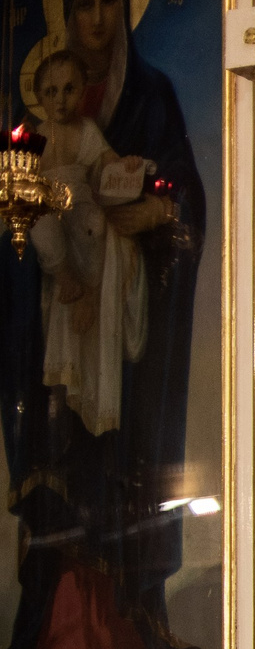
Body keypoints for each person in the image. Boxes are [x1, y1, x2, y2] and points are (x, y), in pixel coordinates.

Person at [0, 0, 207, 649]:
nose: (95, 19)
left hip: (126, 340)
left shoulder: (149, 96)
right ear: (64, 14)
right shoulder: (39, 124)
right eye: (82, 5)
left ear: (126, 10)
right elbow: (23, 219)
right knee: (59, 486)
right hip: (54, 342)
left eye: (107, 4)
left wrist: (162, 216)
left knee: (120, 480)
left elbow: (181, 199)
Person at [27, 49, 145, 438]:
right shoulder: (38, 138)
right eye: (51, 91)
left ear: (81, 92)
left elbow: (108, 165)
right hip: (54, 219)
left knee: (93, 228)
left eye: (69, 89)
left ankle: (88, 295)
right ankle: (71, 287)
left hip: (86, 220)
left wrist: (125, 166)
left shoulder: (87, 130)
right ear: (39, 98)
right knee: (44, 226)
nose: (61, 99)